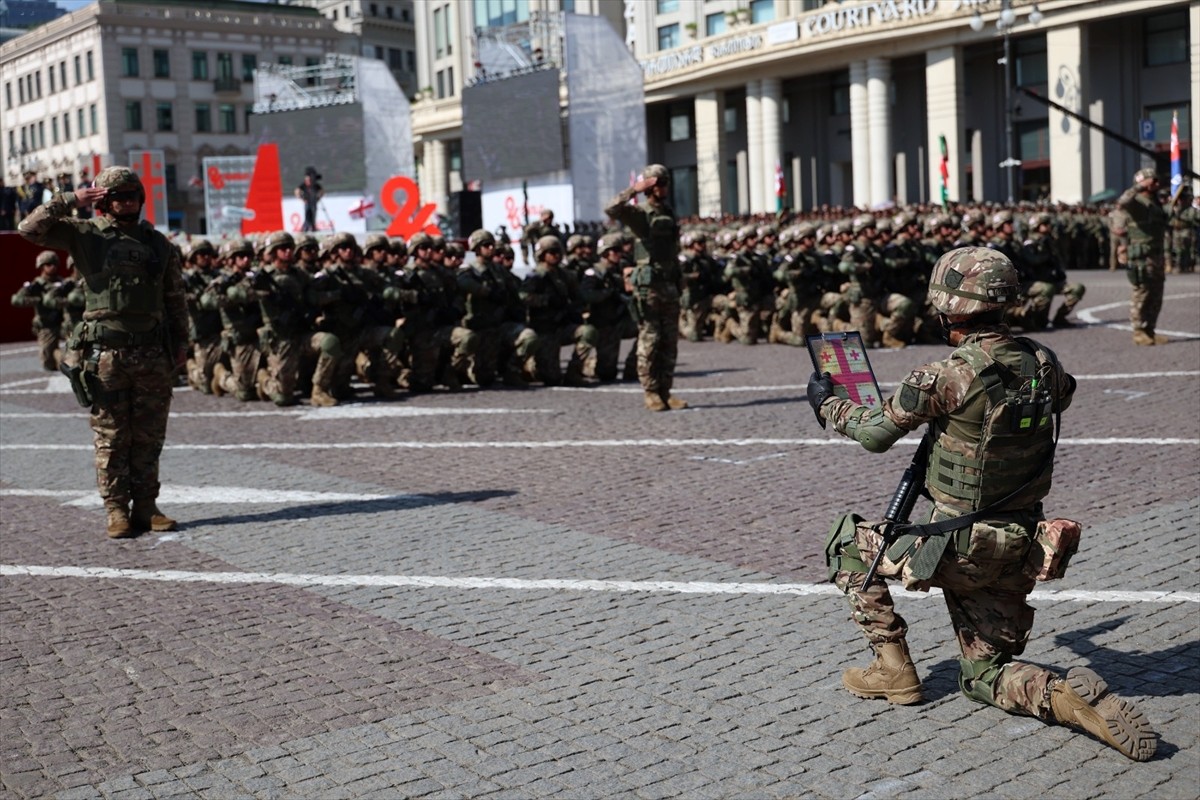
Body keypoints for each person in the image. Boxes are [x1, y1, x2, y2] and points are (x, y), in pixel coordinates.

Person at [806, 246, 1155, 762]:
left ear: (948, 308)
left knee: (846, 541)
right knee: (985, 676)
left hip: (958, 548)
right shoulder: (1045, 362)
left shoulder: (946, 375)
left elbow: (875, 433)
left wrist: (827, 403)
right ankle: (1061, 696)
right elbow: (1062, 395)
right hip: (1021, 550)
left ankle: (894, 669)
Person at [18, 166, 188, 539]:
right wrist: (69, 200)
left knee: (149, 436)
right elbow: (28, 229)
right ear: (103, 202)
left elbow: (175, 299)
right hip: (105, 355)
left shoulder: (159, 244)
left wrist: (181, 345)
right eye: (118, 196)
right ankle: (116, 510)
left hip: (152, 354)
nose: (126, 202)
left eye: (132, 196)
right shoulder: (85, 236)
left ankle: (146, 506)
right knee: (111, 436)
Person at [604, 164, 686, 411]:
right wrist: (634, 189)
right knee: (650, 338)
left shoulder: (669, 212)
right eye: (658, 183)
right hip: (648, 287)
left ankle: (665, 390)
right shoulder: (640, 213)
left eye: (665, 183)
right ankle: (651, 392)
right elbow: (611, 208)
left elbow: (673, 251)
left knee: (669, 341)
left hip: (668, 284)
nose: (663, 188)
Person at [1117, 168, 1168, 346]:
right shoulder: (1136, 201)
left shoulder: (1155, 202)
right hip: (1141, 255)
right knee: (1142, 292)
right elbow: (1122, 201)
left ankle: (1150, 330)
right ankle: (1138, 331)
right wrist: (1138, 187)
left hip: (1156, 254)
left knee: (1156, 293)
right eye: (1152, 180)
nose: (1156, 183)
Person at [11, 251, 67, 371]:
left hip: (65, 324)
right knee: (48, 364)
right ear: (41, 266)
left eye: (54, 264)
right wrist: (36, 300)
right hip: (47, 325)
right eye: (48, 264)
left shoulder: (63, 283)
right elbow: (16, 300)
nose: (52, 267)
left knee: (74, 354)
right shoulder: (36, 285)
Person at [295, 167, 324, 233]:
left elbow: (322, 191)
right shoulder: (303, 185)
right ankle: (305, 227)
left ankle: (313, 227)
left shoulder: (315, 185)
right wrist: (302, 198)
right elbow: (297, 191)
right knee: (307, 215)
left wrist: (318, 198)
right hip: (307, 202)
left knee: (313, 214)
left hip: (313, 202)